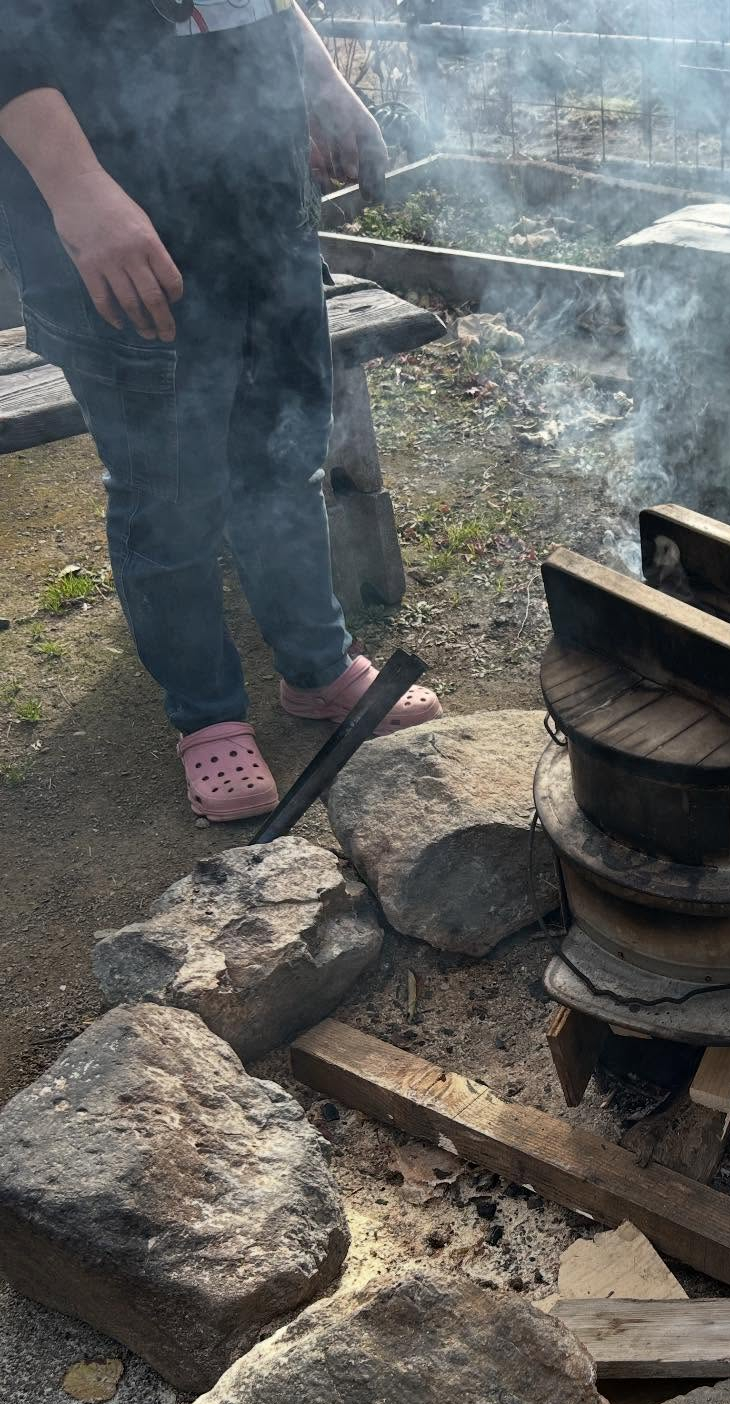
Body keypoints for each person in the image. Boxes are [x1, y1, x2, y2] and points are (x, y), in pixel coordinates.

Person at [0, 0, 441, 822]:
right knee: (165, 495)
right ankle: (206, 713)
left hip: (261, 196)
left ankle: (317, 666)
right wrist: (78, 189)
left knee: (283, 456)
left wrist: (324, 80)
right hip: (120, 196)